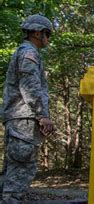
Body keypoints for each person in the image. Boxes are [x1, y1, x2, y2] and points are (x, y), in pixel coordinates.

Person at [1, 14, 55, 201]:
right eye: (48, 34)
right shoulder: (28, 53)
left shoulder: (25, 52)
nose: (49, 39)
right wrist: (43, 116)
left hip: (18, 121)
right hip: (24, 121)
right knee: (19, 174)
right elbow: (30, 87)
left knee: (12, 172)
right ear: (37, 33)